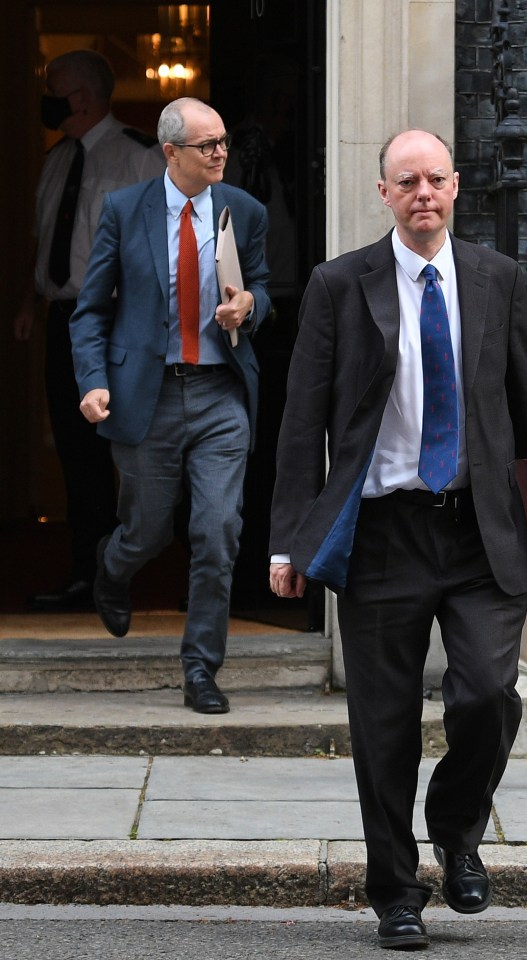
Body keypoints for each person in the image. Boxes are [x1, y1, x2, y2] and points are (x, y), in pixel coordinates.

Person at [269, 130, 527, 949]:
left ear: (456, 186)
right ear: (384, 192)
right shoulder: (338, 284)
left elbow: (526, 404)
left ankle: (457, 830)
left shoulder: (495, 277)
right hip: (382, 533)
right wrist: (288, 542)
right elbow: (301, 423)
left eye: (436, 178)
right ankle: (396, 891)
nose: (423, 192)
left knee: (486, 696)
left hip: (479, 532)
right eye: (408, 180)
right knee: (384, 725)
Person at [70, 97, 270, 714]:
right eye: (207, 145)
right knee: (149, 530)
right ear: (171, 152)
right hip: (145, 394)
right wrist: (93, 380)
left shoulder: (245, 210)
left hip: (218, 394)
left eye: (223, 142)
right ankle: (113, 564)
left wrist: (250, 307)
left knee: (218, 531)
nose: (220, 153)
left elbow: (262, 286)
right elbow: (92, 309)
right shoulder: (124, 211)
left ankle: (200, 668)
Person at [14, 49, 165, 612]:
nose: (46, 96)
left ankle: (130, 571)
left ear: (79, 97)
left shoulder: (140, 158)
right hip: (66, 323)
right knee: (76, 455)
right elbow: (47, 240)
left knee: (133, 452)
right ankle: (88, 574)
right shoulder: (57, 160)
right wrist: (31, 299)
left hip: (124, 323)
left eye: (52, 86)